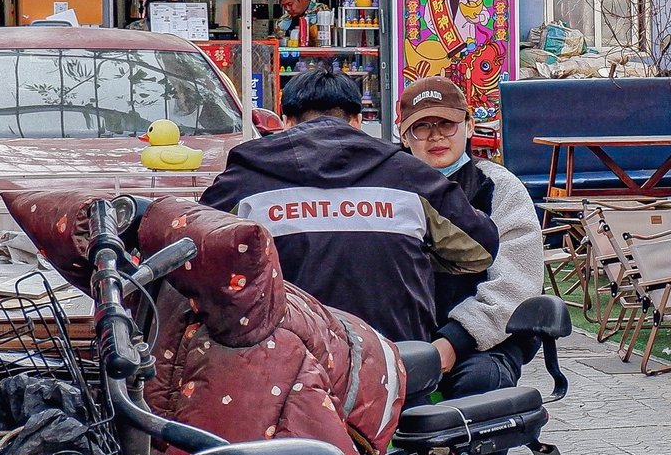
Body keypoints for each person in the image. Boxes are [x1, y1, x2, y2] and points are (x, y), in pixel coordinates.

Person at [201, 66, 496, 346]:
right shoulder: (412, 176)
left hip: (285, 369)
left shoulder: (243, 181)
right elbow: (480, 249)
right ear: (357, 121)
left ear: (286, 122)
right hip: (399, 366)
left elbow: (197, 255)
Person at [398, 75, 544, 426]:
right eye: (422, 127)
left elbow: (516, 284)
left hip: (483, 344)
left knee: (483, 385)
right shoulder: (386, 189)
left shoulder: (499, 187)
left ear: (469, 124)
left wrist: (454, 340)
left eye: (447, 124)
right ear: (403, 136)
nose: (436, 136)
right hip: (400, 341)